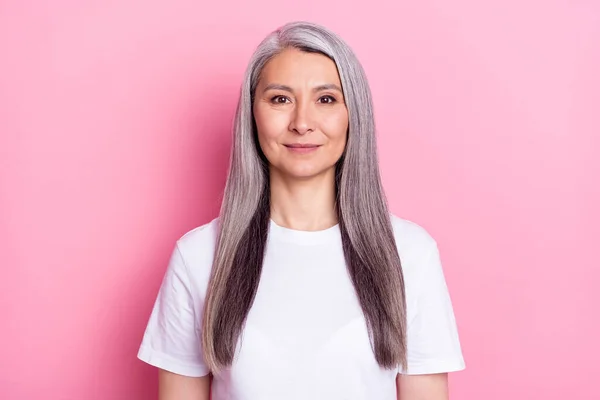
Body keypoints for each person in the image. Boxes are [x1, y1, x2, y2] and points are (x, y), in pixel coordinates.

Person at [137, 21, 465, 400]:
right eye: (280, 99)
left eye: (325, 99)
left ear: (352, 115)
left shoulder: (410, 253)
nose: (302, 123)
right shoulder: (199, 256)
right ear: (252, 115)